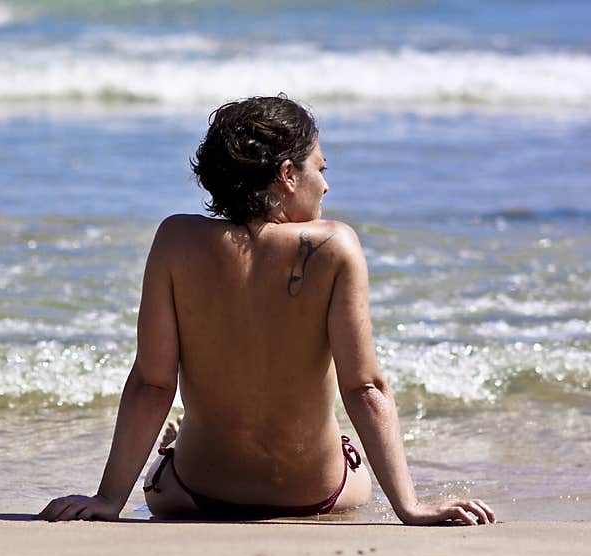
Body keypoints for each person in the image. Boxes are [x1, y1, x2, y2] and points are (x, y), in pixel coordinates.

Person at [39, 95, 495, 525]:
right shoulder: (336, 245)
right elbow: (366, 387)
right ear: (288, 175)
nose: (327, 184)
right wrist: (410, 507)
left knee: (178, 438)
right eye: (320, 167)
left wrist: (108, 500)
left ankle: (186, 438)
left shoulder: (175, 240)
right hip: (314, 493)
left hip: (194, 494)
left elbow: (153, 383)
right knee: (346, 443)